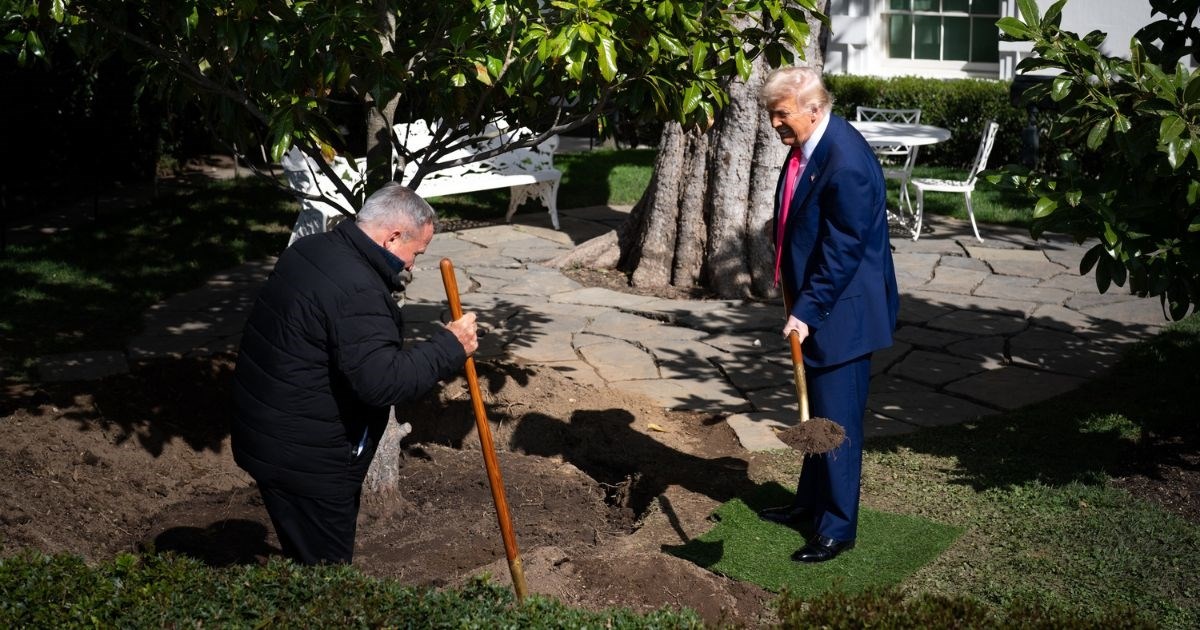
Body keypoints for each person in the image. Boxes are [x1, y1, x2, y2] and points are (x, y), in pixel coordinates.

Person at [231, 182, 478, 565]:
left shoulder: (310, 250)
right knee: (327, 578)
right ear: (393, 236)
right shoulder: (358, 288)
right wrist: (449, 346)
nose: (413, 264)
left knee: (304, 556)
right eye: (416, 252)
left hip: (269, 434)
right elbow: (383, 383)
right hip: (308, 459)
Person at [756, 66, 899, 563]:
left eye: (781, 114)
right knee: (816, 413)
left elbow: (843, 250)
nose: (774, 124)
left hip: (843, 312)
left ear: (813, 109)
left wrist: (808, 312)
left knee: (836, 423)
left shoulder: (847, 162)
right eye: (771, 114)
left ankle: (837, 528)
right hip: (819, 303)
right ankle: (810, 505)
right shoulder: (809, 148)